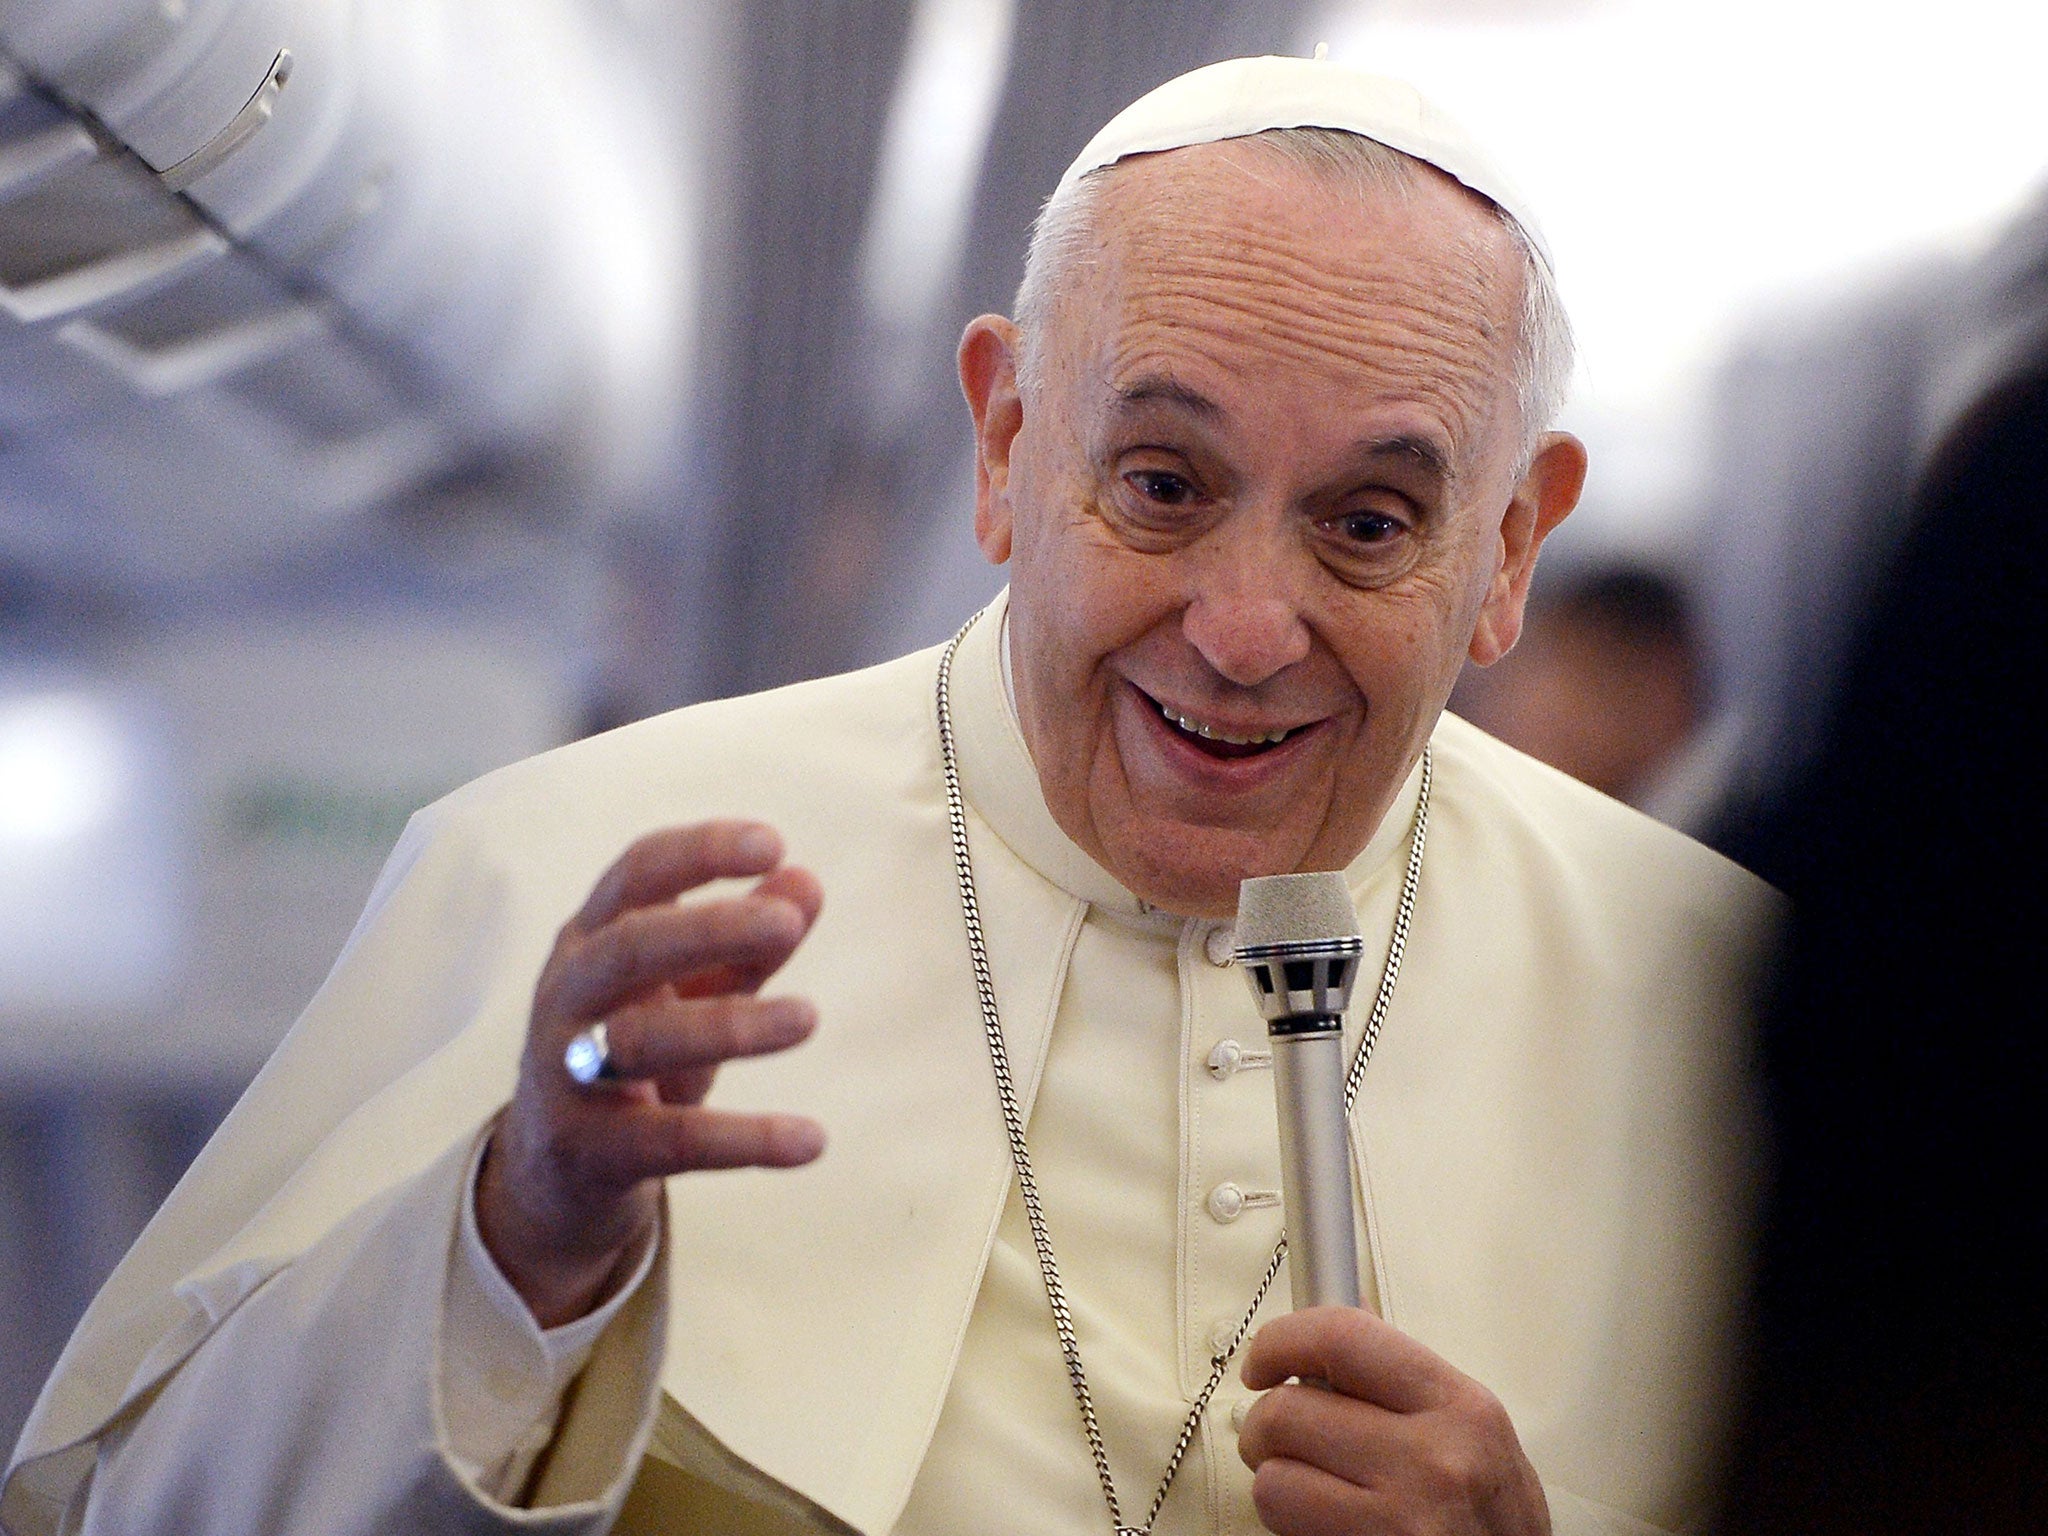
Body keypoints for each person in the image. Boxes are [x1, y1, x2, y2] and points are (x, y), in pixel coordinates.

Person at [4, 57, 1776, 1536]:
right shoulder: (564, 880)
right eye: (1161, 485)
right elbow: (141, 1505)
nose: (1245, 632)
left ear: (1512, 545)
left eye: (1368, 525)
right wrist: (508, 1250)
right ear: (1005, 444)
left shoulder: (1748, 1009)